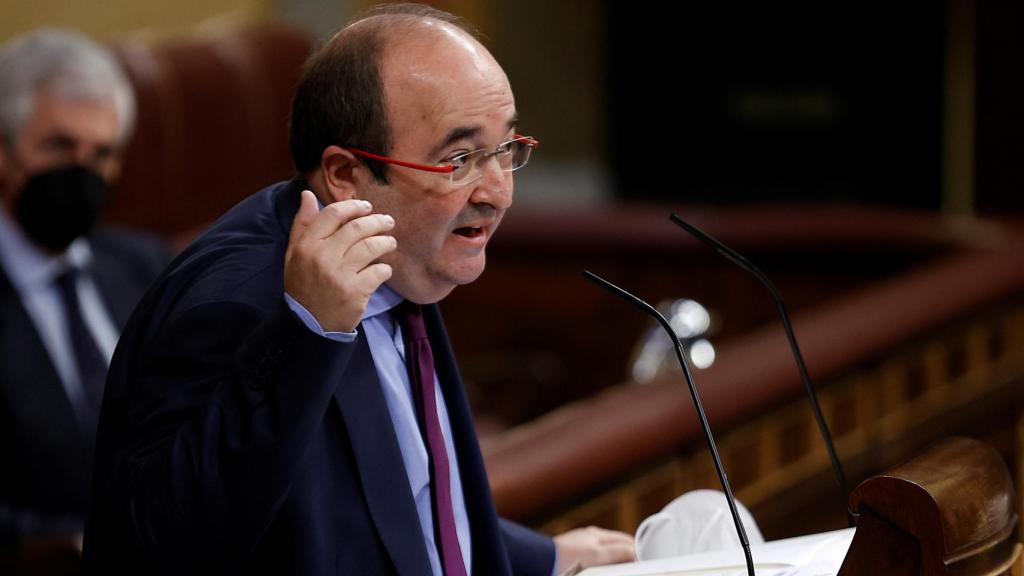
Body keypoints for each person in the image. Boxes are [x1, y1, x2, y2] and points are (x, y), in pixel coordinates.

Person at [83, 4, 634, 575]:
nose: (498, 193)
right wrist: (307, 334)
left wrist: (539, 557)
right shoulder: (240, 301)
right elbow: (158, 546)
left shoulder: (399, 250)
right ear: (346, 175)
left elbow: (398, 507)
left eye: (504, 150)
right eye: (461, 159)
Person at [0, 29, 169, 558]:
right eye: (59, 146)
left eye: (101, 154)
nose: (82, 171)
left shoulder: (145, 264)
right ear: (3, 150)